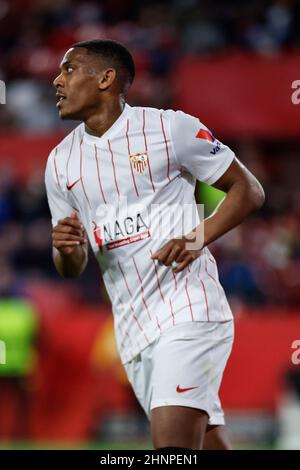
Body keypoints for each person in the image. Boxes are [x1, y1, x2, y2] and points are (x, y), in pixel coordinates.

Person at [45, 39, 265, 450]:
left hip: (189, 312)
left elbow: (248, 191)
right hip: (133, 329)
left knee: (171, 452)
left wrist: (199, 236)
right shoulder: (59, 163)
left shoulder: (170, 128)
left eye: (69, 69)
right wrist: (66, 249)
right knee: (207, 445)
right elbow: (71, 265)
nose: (57, 80)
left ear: (106, 79)